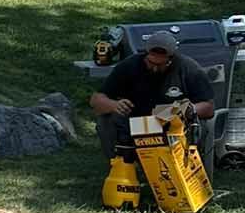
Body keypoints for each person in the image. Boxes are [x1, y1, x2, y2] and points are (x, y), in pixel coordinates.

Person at [90, 30, 217, 176]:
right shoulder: (129, 66)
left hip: (173, 124)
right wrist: (114, 105)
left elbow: (208, 107)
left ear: (171, 58)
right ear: (146, 55)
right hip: (136, 122)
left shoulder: (188, 68)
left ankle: (182, 170)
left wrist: (182, 109)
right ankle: (121, 168)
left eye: (161, 64)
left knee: (199, 124)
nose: (155, 68)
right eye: (151, 63)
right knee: (105, 120)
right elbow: (96, 100)